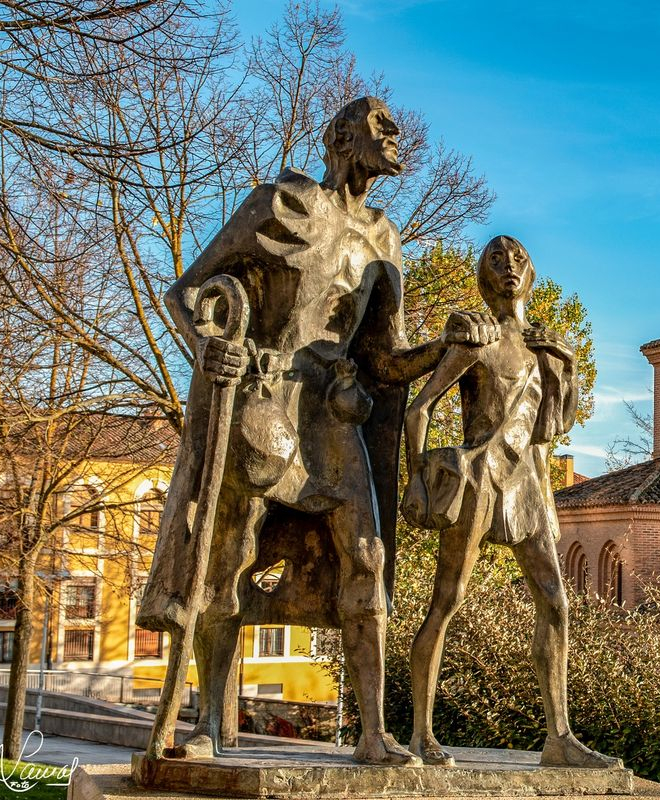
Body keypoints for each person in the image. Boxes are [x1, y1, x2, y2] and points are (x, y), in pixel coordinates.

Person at [138, 96, 496, 765]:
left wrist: (448, 346)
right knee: (230, 559)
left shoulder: (384, 239)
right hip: (262, 401)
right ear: (339, 136)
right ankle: (208, 723)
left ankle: (371, 734)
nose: (396, 132)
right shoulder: (280, 204)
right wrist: (206, 344)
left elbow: (384, 360)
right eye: (379, 122)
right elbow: (187, 293)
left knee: (369, 557)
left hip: (332, 411)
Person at [404, 235, 620, 769]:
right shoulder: (475, 338)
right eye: (496, 260)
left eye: (518, 259)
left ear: (531, 275)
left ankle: (559, 737)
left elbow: (554, 426)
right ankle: (420, 736)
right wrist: (418, 477)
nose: (508, 266)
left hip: (530, 482)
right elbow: (419, 410)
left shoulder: (544, 347)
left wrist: (566, 363)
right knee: (448, 599)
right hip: (480, 478)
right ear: (484, 276)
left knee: (556, 604)